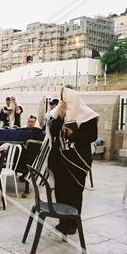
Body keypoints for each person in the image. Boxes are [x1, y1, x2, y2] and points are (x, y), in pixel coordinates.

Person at [48, 88, 98, 235]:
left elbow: (91, 136)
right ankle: (62, 221)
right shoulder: (58, 113)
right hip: (60, 160)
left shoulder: (88, 115)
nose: (65, 104)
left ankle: (73, 223)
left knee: (74, 192)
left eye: (67, 101)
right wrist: (61, 117)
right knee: (61, 191)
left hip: (77, 161)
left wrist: (73, 134)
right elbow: (52, 132)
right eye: (63, 101)